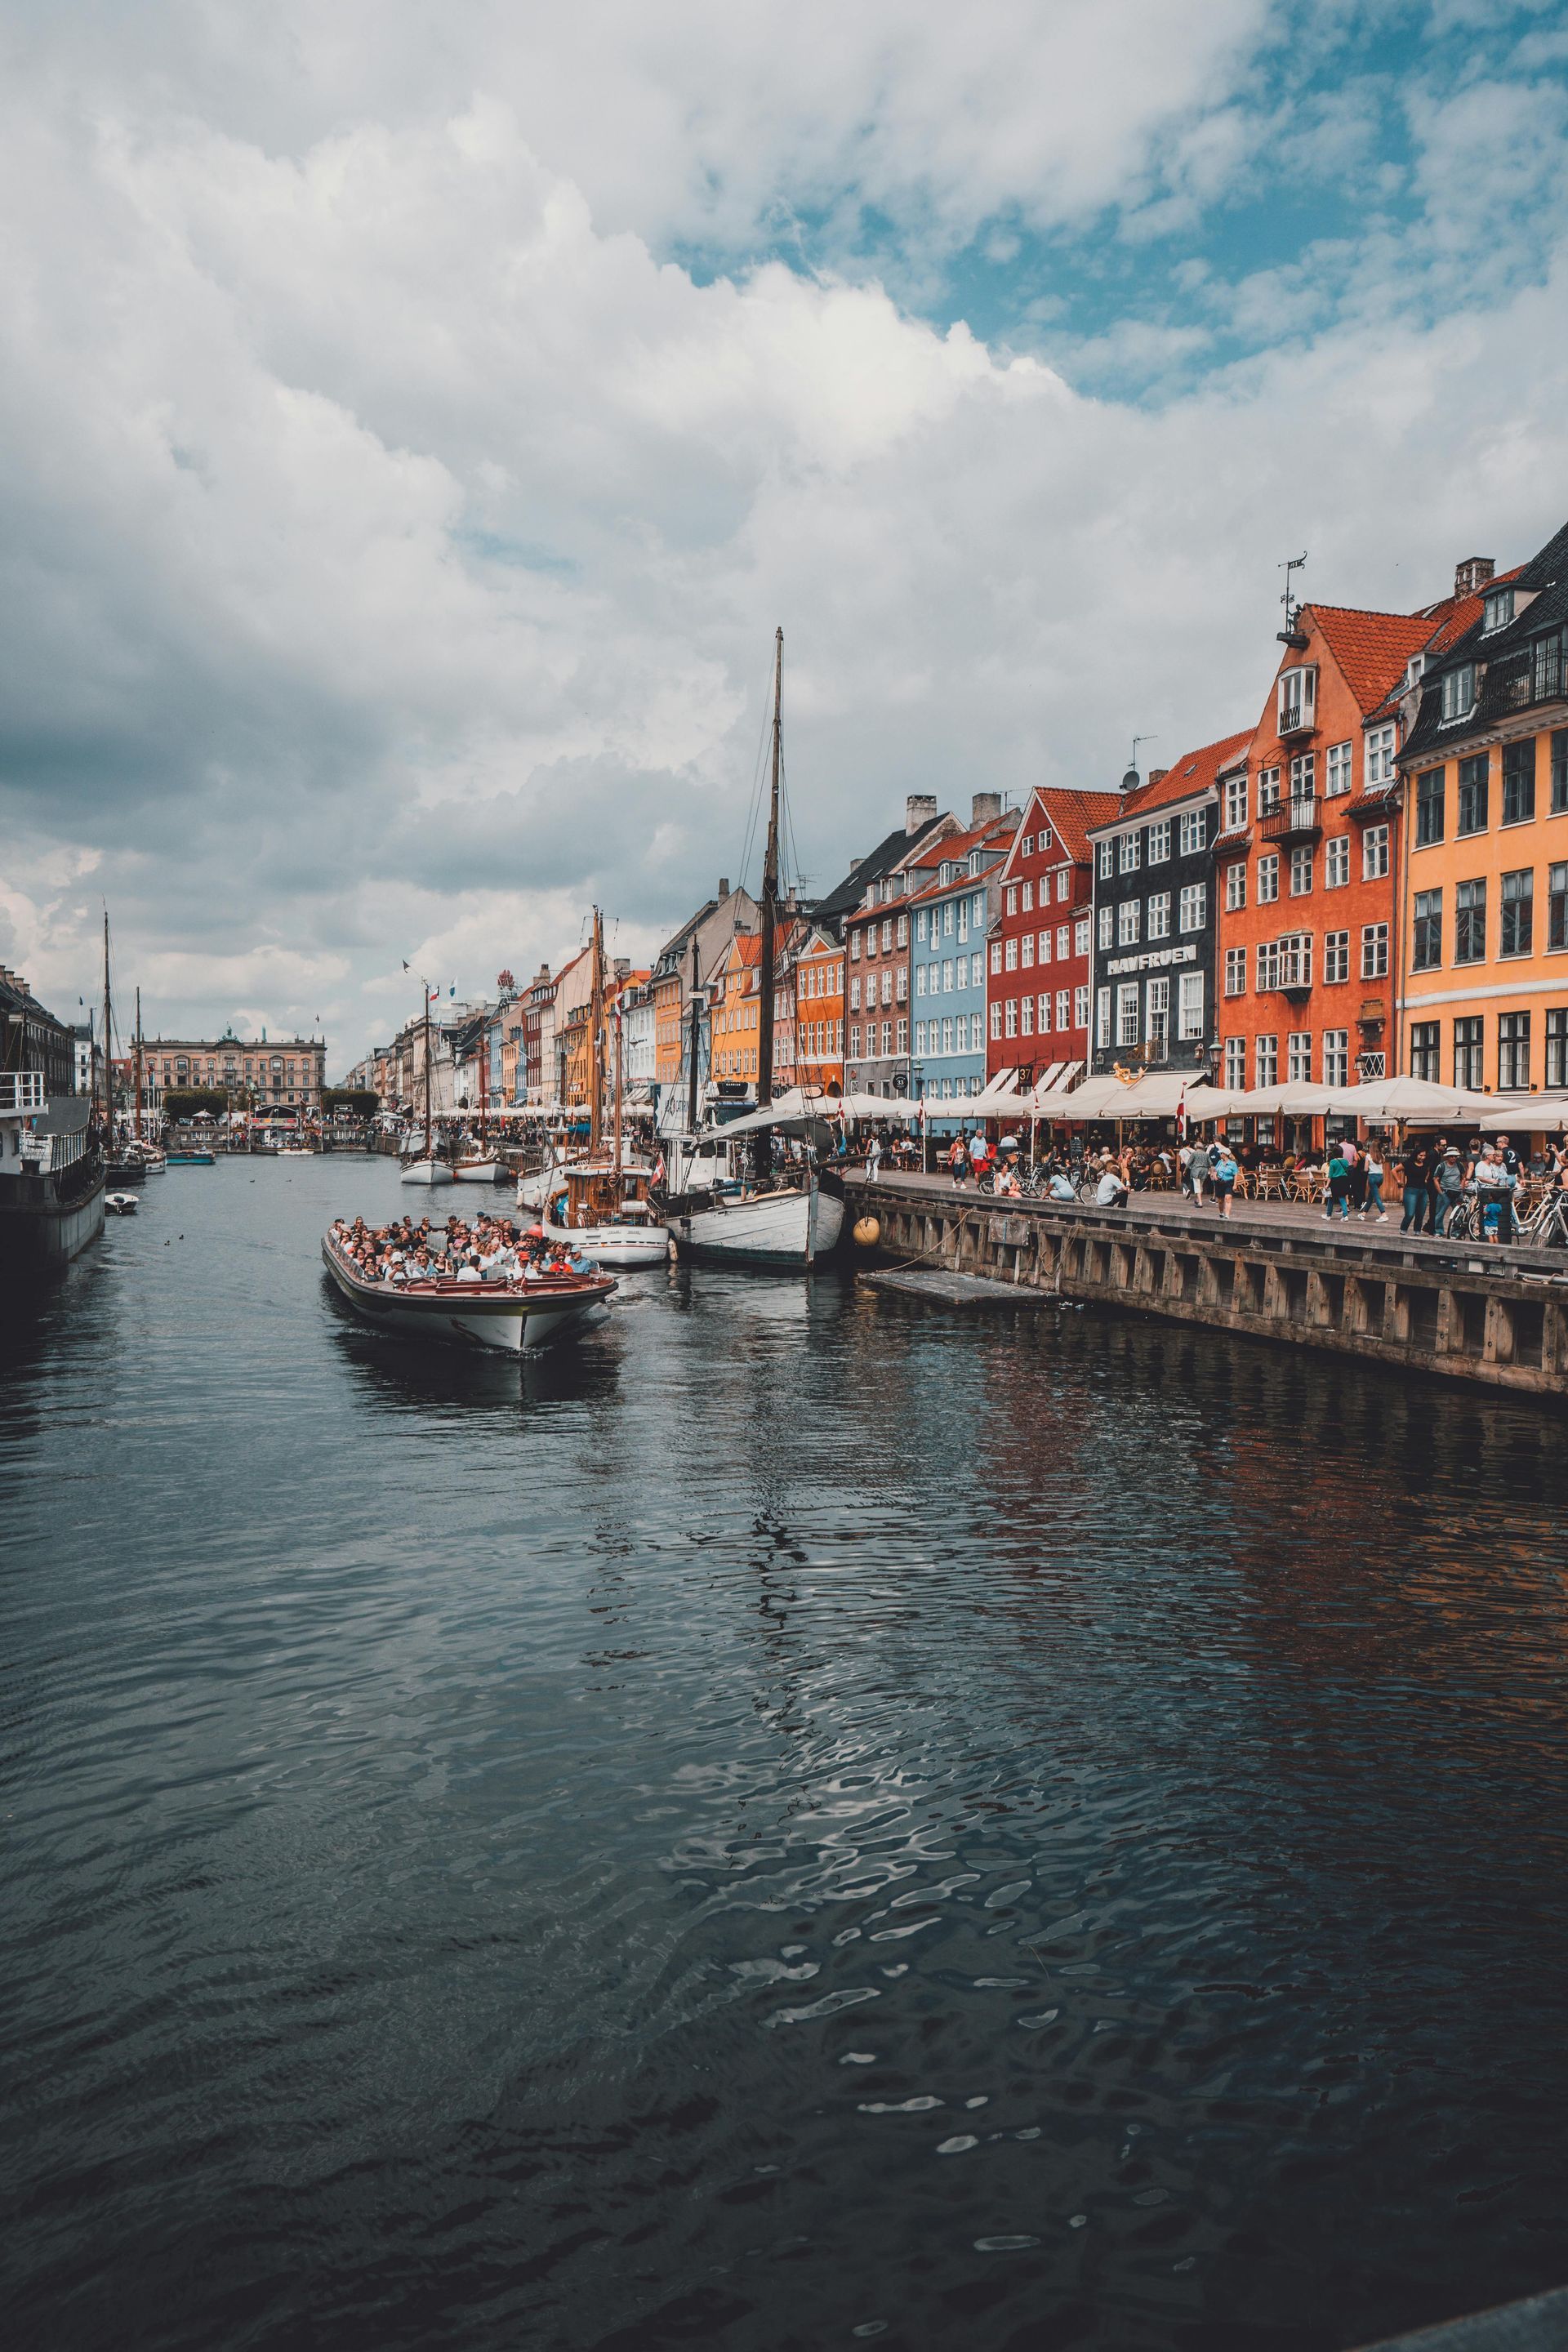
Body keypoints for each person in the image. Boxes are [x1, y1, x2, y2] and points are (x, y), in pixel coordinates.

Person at [1399, 1138, 1431, 1233]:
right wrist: (1398, 1181)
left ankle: (1417, 1230)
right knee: (1410, 1213)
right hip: (1411, 1190)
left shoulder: (1425, 1163)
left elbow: (1428, 1171)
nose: (1423, 1157)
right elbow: (1394, 1170)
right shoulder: (1409, 1163)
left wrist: (1426, 1179)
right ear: (1416, 1154)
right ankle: (1403, 1229)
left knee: (1420, 1214)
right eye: (1421, 1155)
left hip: (1423, 1191)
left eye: (1424, 1156)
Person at [1431, 1147, 1464, 1236]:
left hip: (1457, 1192)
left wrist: (1461, 1187)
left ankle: (1456, 1233)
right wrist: (1440, 1192)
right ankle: (1439, 1231)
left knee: (1458, 1214)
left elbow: (1463, 1177)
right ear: (1447, 1157)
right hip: (1445, 1191)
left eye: (1455, 1156)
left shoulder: (1459, 1165)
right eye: (1451, 1156)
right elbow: (1435, 1179)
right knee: (1440, 1213)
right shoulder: (1442, 1166)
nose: (1454, 1158)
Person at [1209, 1138, 1238, 1219]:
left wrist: (1235, 1185)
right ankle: (1221, 1212)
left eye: (1221, 1153)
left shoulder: (1232, 1164)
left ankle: (1227, 1215)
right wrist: (1215, 1176)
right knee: (1221, 1200)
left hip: (1229, 1182)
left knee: (1228, 1198)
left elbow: (1236, 1174)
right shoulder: (1220, 1162)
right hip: (1219, 1182)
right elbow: (1215, 1170)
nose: (1220, 1155)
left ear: (1224, 1154)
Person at [1361, 1142, 1388, 1222]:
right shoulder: (1382, 1156)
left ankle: (1384, 1215)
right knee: (1370, 1197)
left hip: (1372, 1177)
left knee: (1376, 1197)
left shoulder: (1368, 1156)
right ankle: (1363, 1214)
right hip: (1380, 1177)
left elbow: (1365, 1169)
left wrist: (1369, 1168)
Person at [1324, 1143, 1352, 1221]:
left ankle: (1328, 1215)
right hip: (1344, 1180)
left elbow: (1330, 1175)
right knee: (1342, 1198)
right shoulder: (1346, 1161)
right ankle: (1345, 1215)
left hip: (1335, 1181)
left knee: (1331, 1198)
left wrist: (1327, 1185)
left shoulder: (1332, 1162)